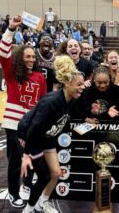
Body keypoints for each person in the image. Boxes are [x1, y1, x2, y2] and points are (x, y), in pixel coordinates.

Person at [20, 55, 85, 213]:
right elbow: (34, 129)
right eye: (79, 85)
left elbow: (77, 112)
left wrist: (90, 116)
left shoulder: (72, 99)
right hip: (31, 137)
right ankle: (28, 209)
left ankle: (42, 203)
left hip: (47, 136)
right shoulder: (51, 101)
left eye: (83, 84)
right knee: (44, 177)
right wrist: (26, 155)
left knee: (56, 173)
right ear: (67, 83)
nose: (82, 87)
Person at [0, 16, 47, 208]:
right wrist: (11, 29)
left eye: (33, 57)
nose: (31, 59)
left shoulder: (39, 77)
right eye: (27, 56)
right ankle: (13, 192)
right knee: (16, 161)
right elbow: (3, 53)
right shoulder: (11, 73)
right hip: (13, 123)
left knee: (33, 157)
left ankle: (27, 185)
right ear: (20, 57)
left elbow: (42, 101)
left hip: (33, 125)